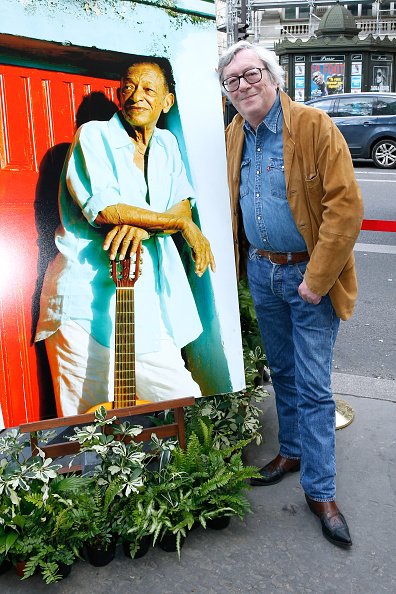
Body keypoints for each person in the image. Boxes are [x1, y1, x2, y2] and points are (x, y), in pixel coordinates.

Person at [218, 41, 363, 548]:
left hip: (309, 280)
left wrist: (314, 281)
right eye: (232, 80)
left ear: (273, 76)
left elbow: (345, 209)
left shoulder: (313, 127)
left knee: (314, 385)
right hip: (263, 272)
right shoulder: (235, 133)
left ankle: (321, 491)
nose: (243, 86)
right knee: (281, 371)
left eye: (251, 74)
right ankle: (293, 450)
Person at [35, 57, 215, 417]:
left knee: (186, 406)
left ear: (167, 102)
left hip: (149, 305)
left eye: (149, 89)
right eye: (129, 88)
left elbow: (181, 207)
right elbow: (104, 210)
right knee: (85, 427)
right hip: (87, 305)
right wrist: (177, 226)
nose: (137, 96)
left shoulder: (166, 145)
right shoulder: (93, 136)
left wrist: (140, 223)